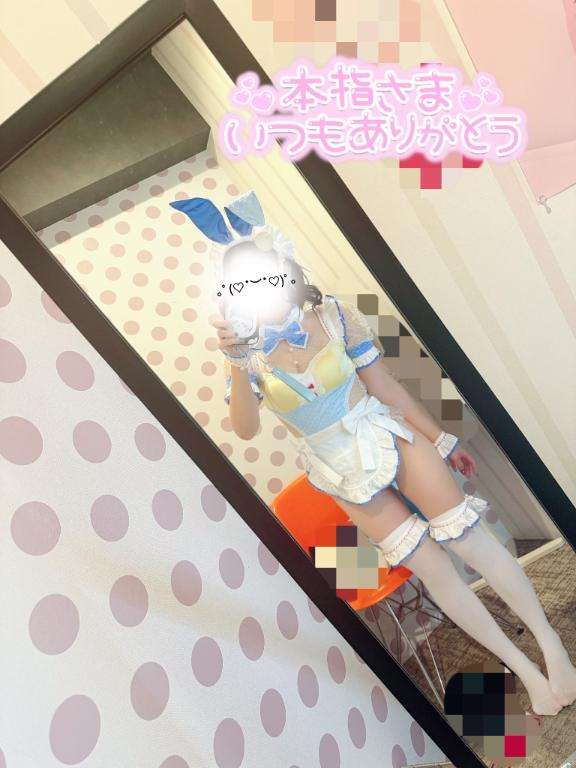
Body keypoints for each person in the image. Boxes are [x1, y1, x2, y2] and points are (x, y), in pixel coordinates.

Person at [172, 189, 576, 717]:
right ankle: (524, 671)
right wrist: (236, 360)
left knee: (470, 541)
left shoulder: (334, 316)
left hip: (382, 430)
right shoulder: (246, 355)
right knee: (436, 572)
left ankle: (550, 645)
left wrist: (440, 439)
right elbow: (245, 429)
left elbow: (386, 387)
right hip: (336, 468)